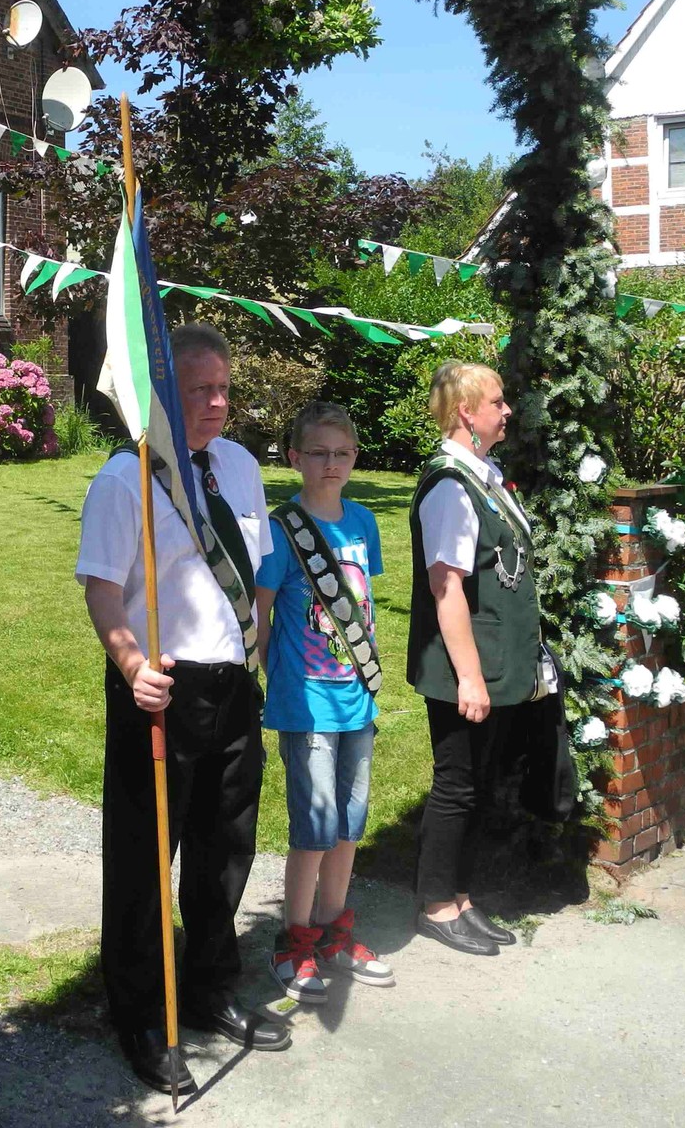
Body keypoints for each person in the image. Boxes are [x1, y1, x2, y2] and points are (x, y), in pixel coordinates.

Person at [75, 322, 288, 1098]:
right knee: (142, 858)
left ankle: (208, 986)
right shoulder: (127, 478)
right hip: (159, 686)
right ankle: (139, 1012)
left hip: (233, 684)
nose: (218, 401)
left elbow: (258, 565)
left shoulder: (240, 466)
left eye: (224, 387)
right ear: (165, 395)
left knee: (223, 848)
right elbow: (102, 586)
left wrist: (256, 631)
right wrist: (132, 664)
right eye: (200, 389)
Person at [255, 403, 395, 1003]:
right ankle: (295, 940)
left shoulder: (363, 522)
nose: (330, 463)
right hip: (306, 701)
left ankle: (336, 930)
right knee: (313, 829)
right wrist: (270, 675)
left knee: (349, 826)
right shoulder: (281, 528)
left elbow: (361, 606)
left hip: (355, 699)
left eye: (341, 453)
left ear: (355, 458)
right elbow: (259, 614)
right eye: (318, 452)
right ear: (294, 458)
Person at [406, 360, 539, 956]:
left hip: (493, 663)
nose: (507, 410)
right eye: (497, 401)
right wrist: (468, 676)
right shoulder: (450, 488)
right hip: (465, 668)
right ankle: (436, 905)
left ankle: (460, 898)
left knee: (481, 784)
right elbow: (446, 587)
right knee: (457, 785)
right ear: (466, 412)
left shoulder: (482, 475)